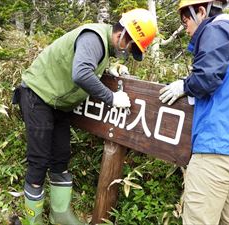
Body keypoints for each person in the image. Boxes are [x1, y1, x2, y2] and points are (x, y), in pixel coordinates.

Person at [12, 8, 157, 225]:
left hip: (58, 104)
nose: (128, 52)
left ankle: (59, 215)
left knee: (61, 159)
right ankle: (31, 221)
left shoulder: (104, 46)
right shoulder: (93, 37)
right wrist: (112, 98)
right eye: (131, 47)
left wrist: (111, 69)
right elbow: (81, 73)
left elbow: (89, 65)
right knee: (39, 161)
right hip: (37, 95)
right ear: (123, 35)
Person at [159, 0, 229, 224]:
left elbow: (206, 78)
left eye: (186, 21)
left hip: (217, 149)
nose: (185, 28)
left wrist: (184, 85)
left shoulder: (215, 29)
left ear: (201, 12)